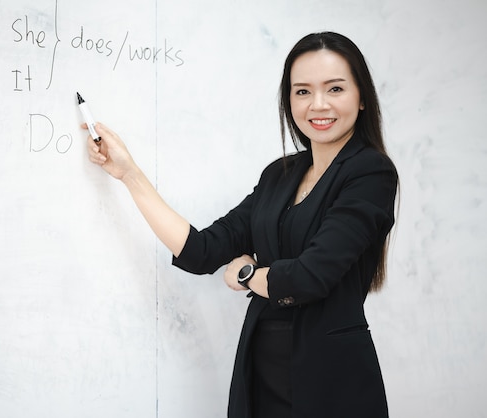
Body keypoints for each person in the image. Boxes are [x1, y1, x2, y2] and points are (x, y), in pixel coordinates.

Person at [85, 31, 398, 418]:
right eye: (302, 92)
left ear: (362, 96)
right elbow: (201, 251)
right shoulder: (279, 175)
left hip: (331, 382)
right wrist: (130, 174)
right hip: (261, 376)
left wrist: (248, 272)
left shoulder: (371, 172)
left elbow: (309, 277)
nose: (318, 104)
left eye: (335, 88)